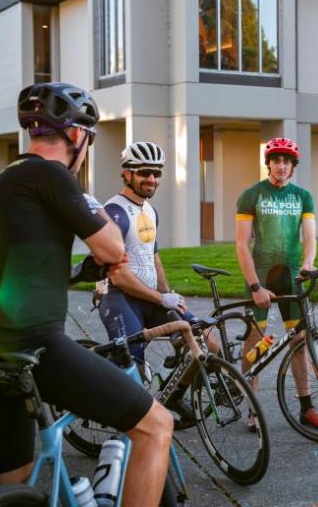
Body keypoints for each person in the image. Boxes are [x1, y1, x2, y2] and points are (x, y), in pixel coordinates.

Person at [0, 83, 172, 503]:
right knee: (156, 426)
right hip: (35, 343)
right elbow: (115, 249)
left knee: (9, 481)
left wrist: (81, 270)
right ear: (78, 136)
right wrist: (95, 212)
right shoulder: (50, 174)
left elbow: (22, 268)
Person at [78, 140, 215, 427]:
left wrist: (168, 294)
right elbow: (118, 275)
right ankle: (121, 426)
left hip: (150, 298)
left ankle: (175, 397)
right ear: (126, 174)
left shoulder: (150, 210)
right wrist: (159, 298)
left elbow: (153, 257)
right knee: (134, 372)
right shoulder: (115, 212)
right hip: (119, 298)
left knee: (206, 342)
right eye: (143, 172)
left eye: (156, 172)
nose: (151, 178)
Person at [235, 137, 318, 430]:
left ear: (292, 166)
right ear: (269, 164)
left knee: (299, 341)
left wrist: (307, 264)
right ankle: (251, 408)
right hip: (261, 274)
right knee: (255, 341)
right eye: (275, 160)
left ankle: (307, 408)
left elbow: (310, 237)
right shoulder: (252, 195)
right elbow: (241, 244)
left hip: (291, 276)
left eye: (286, 161)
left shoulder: (303, 196)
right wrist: (254, 286)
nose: (280, 165)